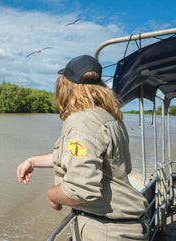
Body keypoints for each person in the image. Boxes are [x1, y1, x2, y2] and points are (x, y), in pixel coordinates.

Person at [17, 55, 149, 241]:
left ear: (67, 87)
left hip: (107, 231)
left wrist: (51, 195)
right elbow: (80, 155)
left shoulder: (82, 122)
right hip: (126, 226)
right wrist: (32, 161)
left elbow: (80, 190)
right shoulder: (108, 117)